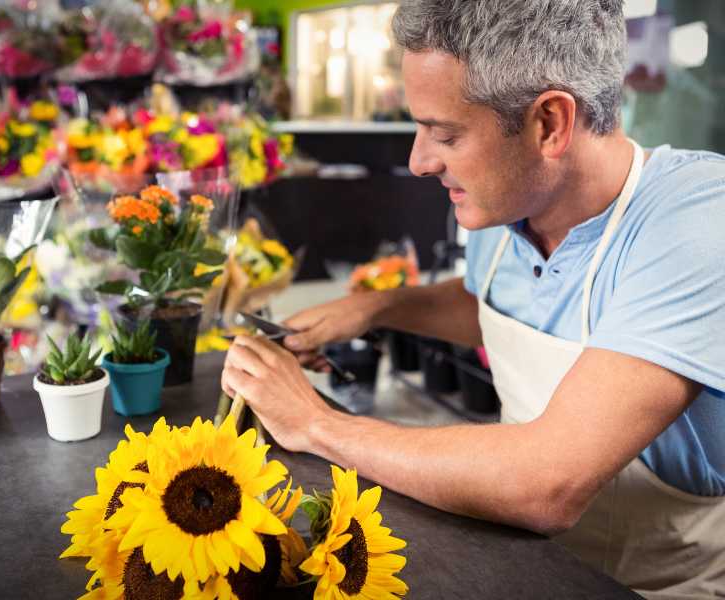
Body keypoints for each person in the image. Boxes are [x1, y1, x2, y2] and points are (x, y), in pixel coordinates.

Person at [221, 1, 725, 596]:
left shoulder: (696, 220)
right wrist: (376, 309)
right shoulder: (509, 203)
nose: (418, 160)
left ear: (550, 124)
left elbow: (548, 482)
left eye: (445, 134)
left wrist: (314, 423)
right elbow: (492, 308)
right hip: (518, 564)